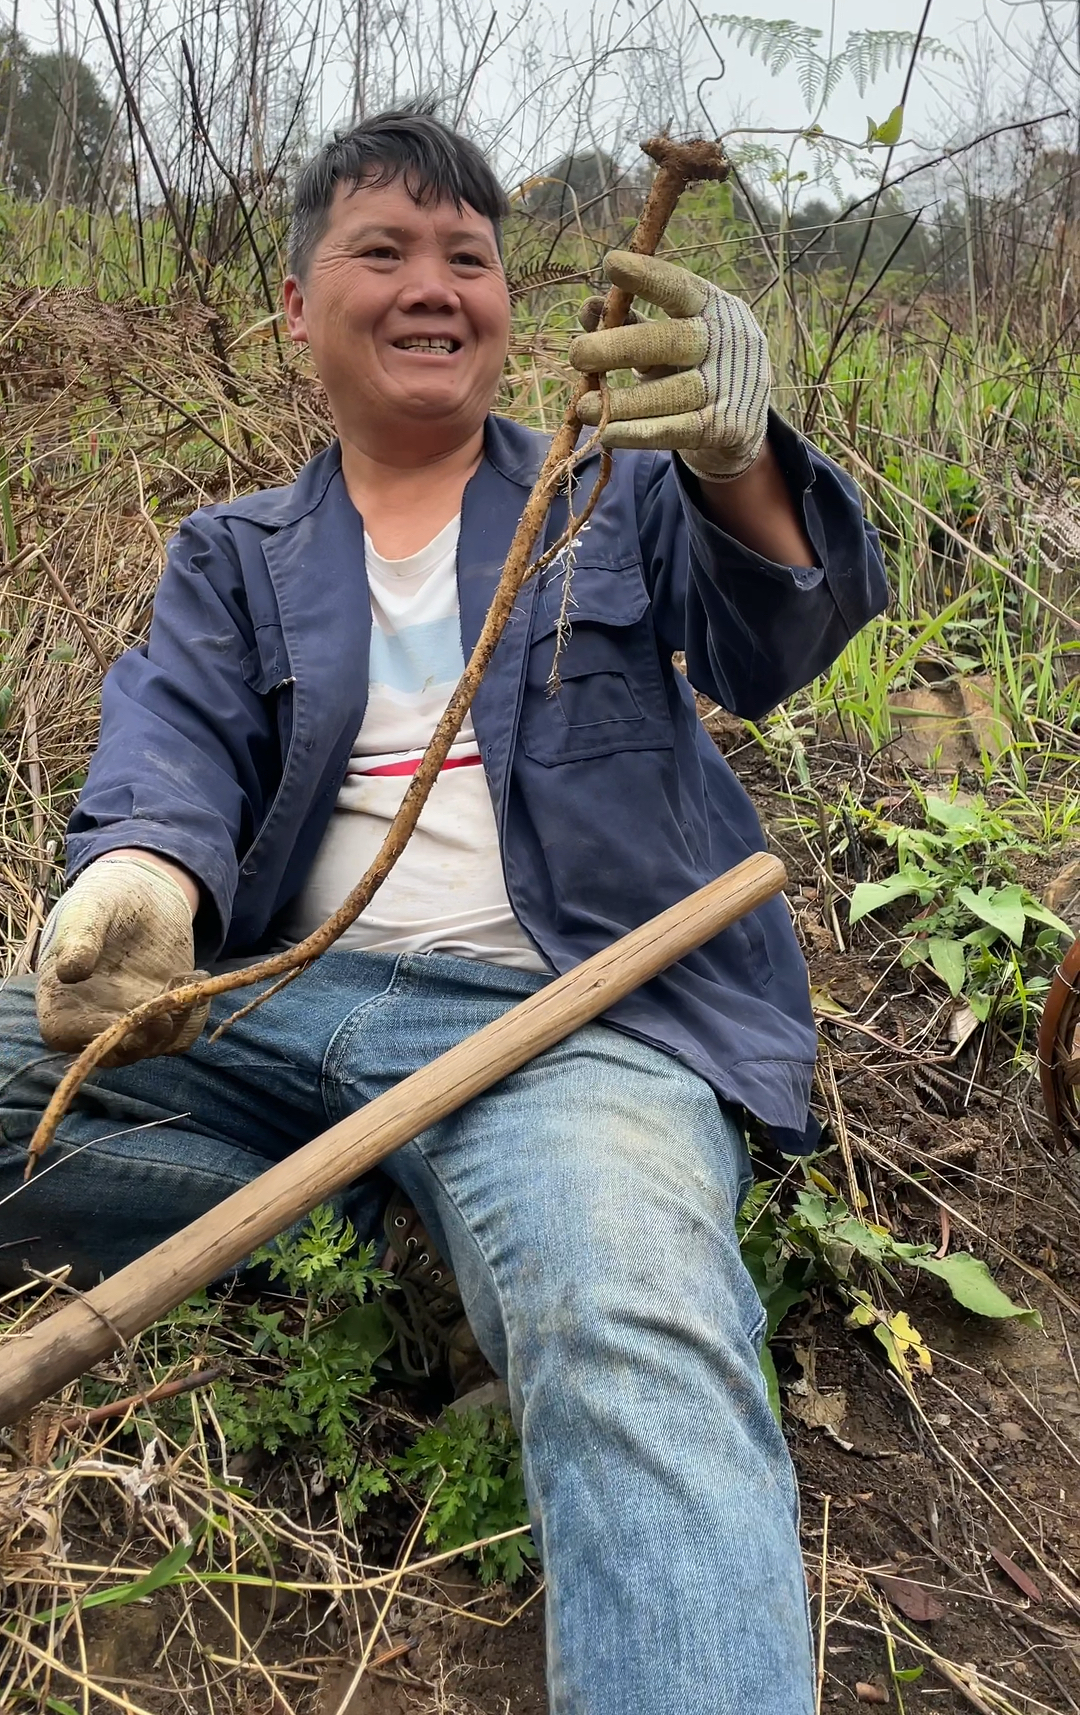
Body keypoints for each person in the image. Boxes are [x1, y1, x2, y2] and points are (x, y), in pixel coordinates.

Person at [0, 107, 886, 1714]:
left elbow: (776, 638)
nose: (434, 286)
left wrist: (737, 448)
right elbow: (173, 740)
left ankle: (495, 1251)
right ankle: (372, 1240)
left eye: (468, 258)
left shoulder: (606, 496)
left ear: (506, 304)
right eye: (383, 251)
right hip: (277, 1016)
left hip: (570, 1035)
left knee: (630, 1315)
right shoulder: (238, 555)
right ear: (295, 307)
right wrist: (143, 880)